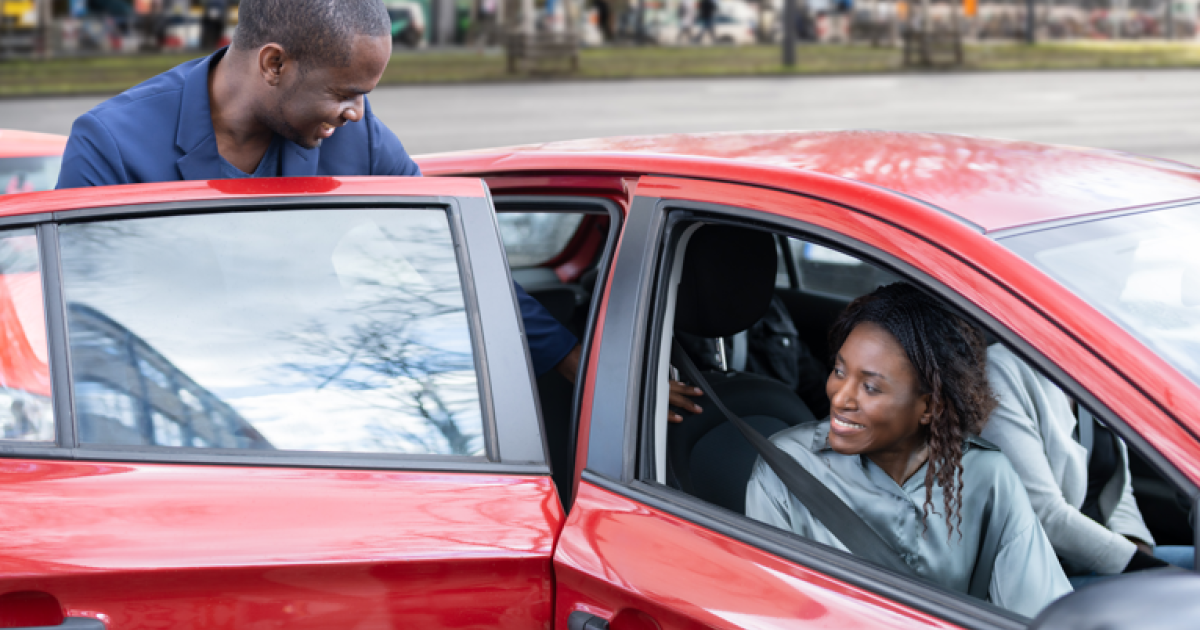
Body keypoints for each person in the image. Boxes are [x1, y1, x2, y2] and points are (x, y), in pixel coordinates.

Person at [53, 0, 702, 409]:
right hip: (170, 415)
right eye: (344, 93)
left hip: (326, 406)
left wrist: (578, 365)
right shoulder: (112, 145)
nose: (358, 114)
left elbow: (450, 255)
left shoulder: (354, 131)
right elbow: (75, 330)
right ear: (274, 64)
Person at [746, 283, 1071, 616]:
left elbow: (1039, 609)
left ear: (930, 407)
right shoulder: (786, 467)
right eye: (839, 372)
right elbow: (774, 611)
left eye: (870, 387)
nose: (840, 397)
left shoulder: (987, 475)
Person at [981, 344, 1193, 586]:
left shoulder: (1087, 365)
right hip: (1042, 578)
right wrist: (1141, 566)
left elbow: (1117, 483)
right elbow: (1042, 513)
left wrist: (1136, 545)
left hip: (1101, 560)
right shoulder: (999, 372)